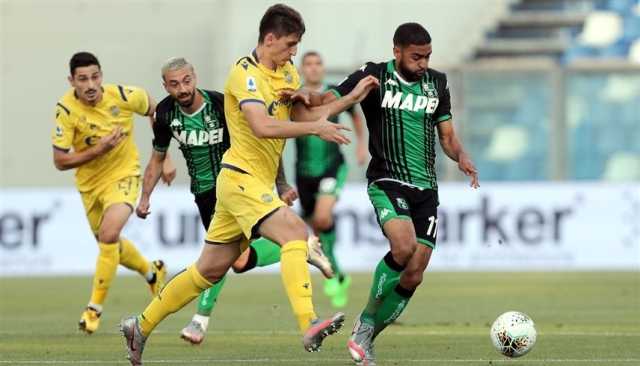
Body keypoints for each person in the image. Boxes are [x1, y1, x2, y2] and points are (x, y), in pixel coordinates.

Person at [120, 5, 378, 364]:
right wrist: (314, 128)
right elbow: (262, 126)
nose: (294, 53)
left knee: (207, 271)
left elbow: (300, 113)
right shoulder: (244, 75)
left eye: (297, 46)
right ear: (269, 39)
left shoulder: (285, 70)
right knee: (294, 234)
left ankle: (140, 325)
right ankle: (309, 322)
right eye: (290, 45)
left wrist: (348, 100)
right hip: (241, 177)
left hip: (242, 183)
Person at [292, 23, 480, 366]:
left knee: (415, 272)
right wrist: (308, 98)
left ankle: (366, 337)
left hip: (426, 187)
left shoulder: (437, 83)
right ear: (397, 52)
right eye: (416, 56)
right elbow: (329, 99)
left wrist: (462, 156)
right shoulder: (373, 75)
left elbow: (448, 137)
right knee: (403, 246)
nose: (423, 63)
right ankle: (365, 321)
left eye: (427, 56)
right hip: (387, 180)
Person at [136, 57, 333, 345]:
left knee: (266, 244)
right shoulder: (165, 114)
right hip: (206, 193)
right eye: (174, 84)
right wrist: (144, 197)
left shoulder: (219, 105)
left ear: (195, 77)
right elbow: (157, 157)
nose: (182, 88)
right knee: (233, 263)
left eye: (187, 80)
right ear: (165, 86)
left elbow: (260, 142)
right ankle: (303, 247)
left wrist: (279, 182)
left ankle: (199, 321)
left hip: (239, 183)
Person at [51, 52, 171, 334]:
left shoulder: (123, 95)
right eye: (83, 79)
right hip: (90, 186)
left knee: (108, 234)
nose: (91, 84)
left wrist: (163, 157)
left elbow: (156, 109)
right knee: (110, 243)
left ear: (101, 75)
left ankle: (94, 309)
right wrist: (99, 149)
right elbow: (59, 160)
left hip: (124, 175)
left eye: (95, 77)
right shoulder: (66, 110)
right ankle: (152, 271)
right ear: (72, 81)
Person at [295, 51, 367, 308]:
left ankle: (333, 277)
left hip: (331, 166)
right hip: (303, 172)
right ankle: (338, 274)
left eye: (318, 63)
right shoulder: (294, 95)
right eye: (309, 64)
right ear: (302, 69)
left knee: (323, 218)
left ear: (323, 68)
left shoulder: (334, 93)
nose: (314, 69)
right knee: (316, 228)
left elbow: (356, 115)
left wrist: (361, 145)